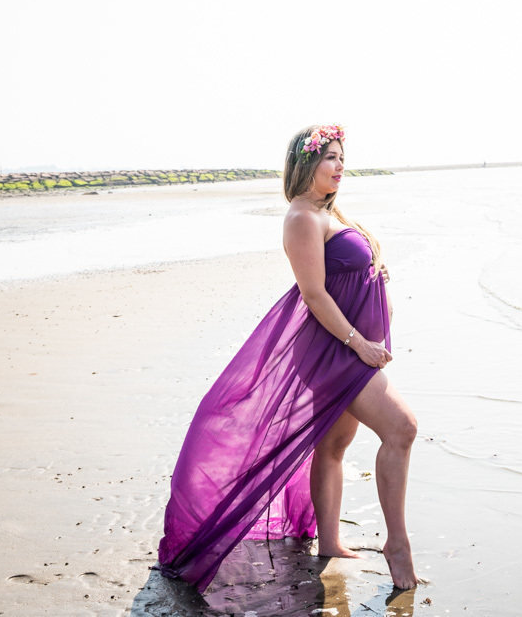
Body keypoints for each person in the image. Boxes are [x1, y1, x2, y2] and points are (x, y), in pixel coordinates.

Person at [154, 124, 419, 592]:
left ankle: (330, 541)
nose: (340, 166)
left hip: (350, 346)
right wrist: (359, 343)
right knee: (402, 429)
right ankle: (397, 545)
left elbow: (343, 274)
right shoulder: (301, 217)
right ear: (305, 164)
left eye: (342, 157)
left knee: (333, 446)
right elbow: (314, 294)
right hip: (335, 351)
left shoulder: (328, 211)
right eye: (329, 158)